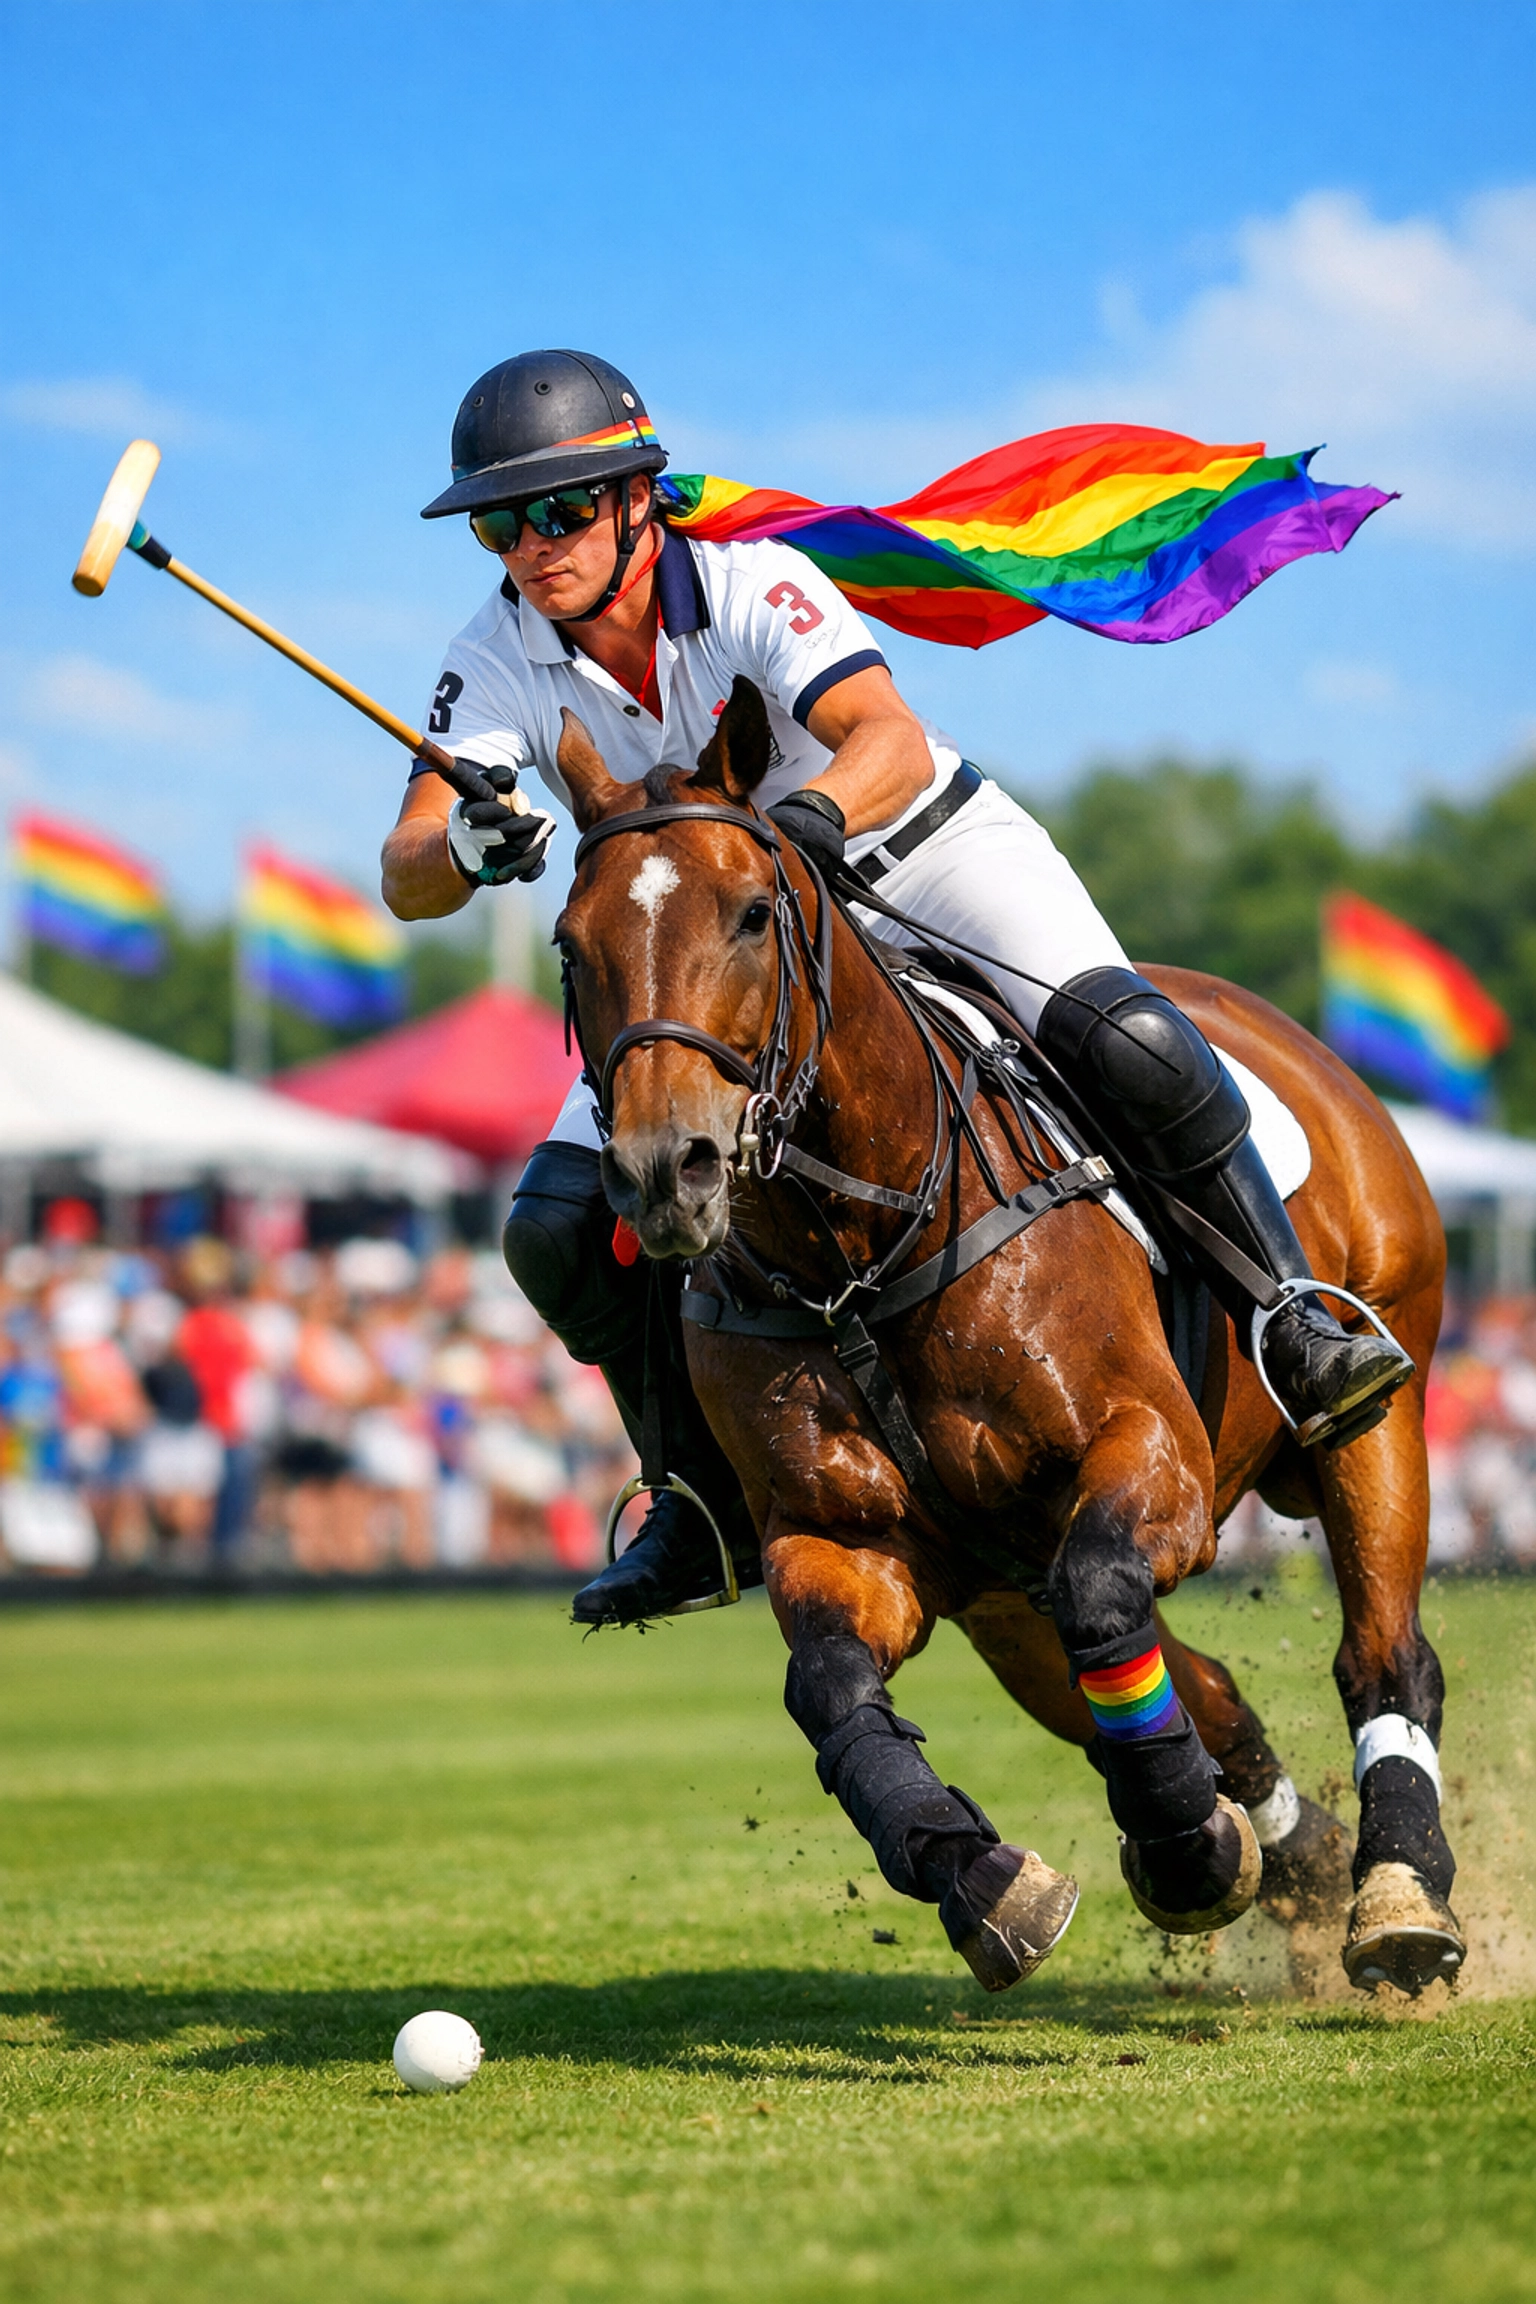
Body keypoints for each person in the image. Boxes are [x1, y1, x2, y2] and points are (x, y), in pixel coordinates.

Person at [383, 349, 1415, 1626]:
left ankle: (1295, 1318)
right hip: (712, 960)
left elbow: (889, 738)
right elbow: (408, 864)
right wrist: (469, 848)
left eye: (562, 508)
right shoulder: (491, 652)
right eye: (501, 520)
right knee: (550, 1230)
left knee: (1127, 1036)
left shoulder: (757, 581)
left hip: (904, 854)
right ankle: (697, 1505)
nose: (534, 545)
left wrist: (800, 826)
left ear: (638, 498)